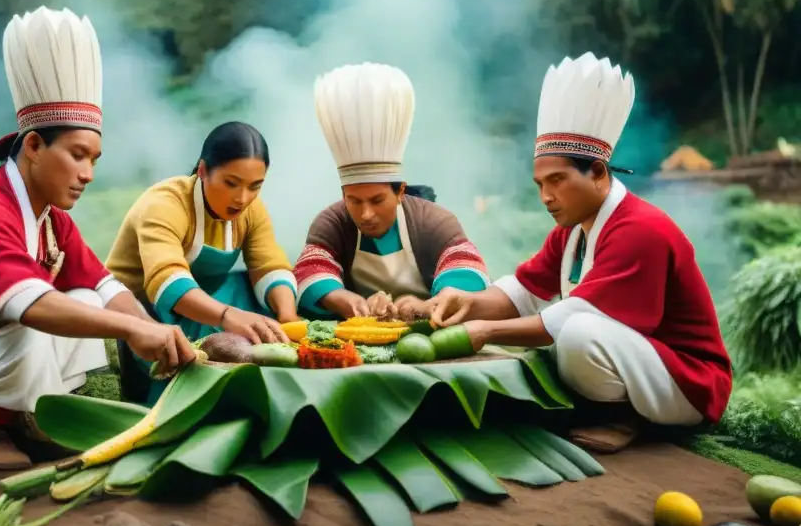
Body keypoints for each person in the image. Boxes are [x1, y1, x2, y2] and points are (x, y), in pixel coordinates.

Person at [0, 7, 196, 471]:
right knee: (29, 318)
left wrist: (156, 330)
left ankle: (29, 417)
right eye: (77, 155)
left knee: (85, 296)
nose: (87, 174)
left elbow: (107, 290)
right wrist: (132, 330)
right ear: (33, 146)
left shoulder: (50, 217)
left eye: (95, 159)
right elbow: (30, 305)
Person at [426, 52, 733, 453]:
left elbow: (578, 315)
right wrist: (465, 302)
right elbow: (521, 292)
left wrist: (485, 331)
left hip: (689, 383)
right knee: (566, 337)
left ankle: (625, 417)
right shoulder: (572, 230)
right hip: (646, 369)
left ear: (600, 174)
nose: (546, 197)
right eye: (539, 184)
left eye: (557, 180)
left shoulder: (641, 229)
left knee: (577, 335)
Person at [106, 121, 298, 403]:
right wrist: (227, 316)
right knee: (223, 332)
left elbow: (267, 264)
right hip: (149, 307)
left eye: (255, 186)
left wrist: (288, 317)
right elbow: (167, 281)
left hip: (209, 296)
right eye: (231, 183)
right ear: (203, 170)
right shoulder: (164, 203)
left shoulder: (251, 210)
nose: (242, 198)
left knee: (256, 297)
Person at [293, 63, 490, 321]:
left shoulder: (434, 221)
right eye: (354, 201)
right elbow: (310, 270)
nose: (366, 214)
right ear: (343, 195)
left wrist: (424, 305)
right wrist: (348, 301)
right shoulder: (332, 222)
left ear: (400, 192)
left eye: (377, 200)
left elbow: (466, 268)